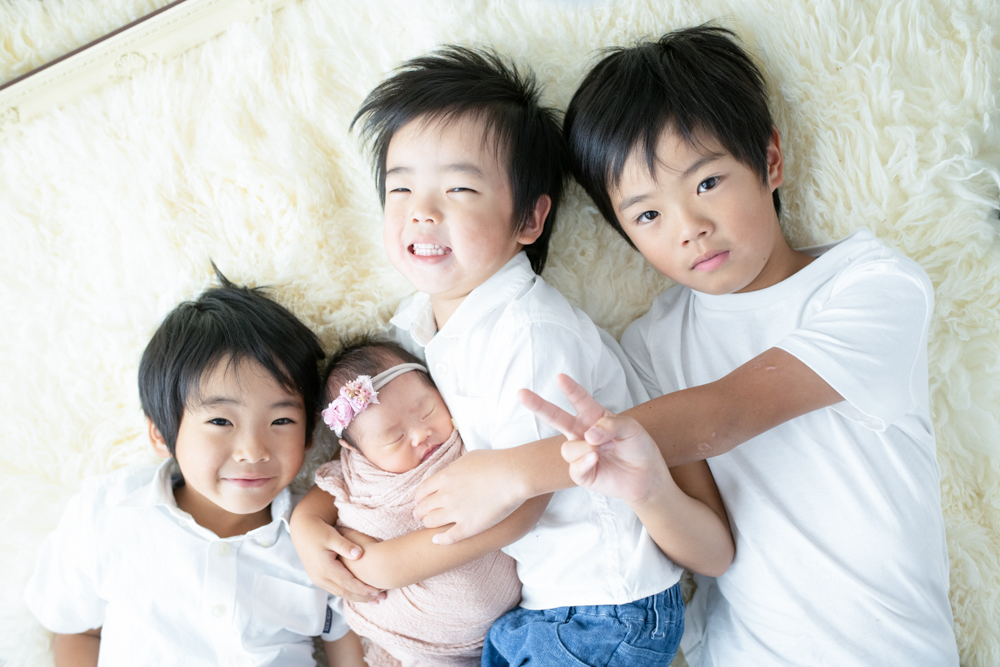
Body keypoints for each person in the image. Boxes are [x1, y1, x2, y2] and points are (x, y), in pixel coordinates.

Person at [424, 24, 960, 666]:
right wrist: (648, 491)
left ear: (770, 160)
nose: (690, 228)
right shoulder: (650, 346)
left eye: (707, 183)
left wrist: (516, 471)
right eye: (648, 215)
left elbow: (724, 414)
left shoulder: (870, 284)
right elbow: (710, 552)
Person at [290, 46, 734, 666]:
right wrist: (308, 522)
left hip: (600, 606)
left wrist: (386, 565)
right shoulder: (417, 332)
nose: (422, 211)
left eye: (459, 188)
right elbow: (363, 448)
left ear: (528, 218)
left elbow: (524, 501)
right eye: (401, 188)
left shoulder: (528, 333)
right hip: (541, 609)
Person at [24, 270, 365, 667]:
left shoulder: (319, 537)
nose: (253, 451)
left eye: (281, 421)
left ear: (309, 434)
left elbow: (347, 643)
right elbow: (75, 627)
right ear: (161, 433)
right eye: (220, 421)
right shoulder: (110, 511)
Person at [311, 336, 521, 666]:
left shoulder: (471, 435)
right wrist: (305, 522)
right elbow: (328, 496)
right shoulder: (359, 476)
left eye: (427, 412)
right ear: (355, 451)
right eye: (394, 438)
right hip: (412, 641)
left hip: (513, 625)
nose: (421, 434)